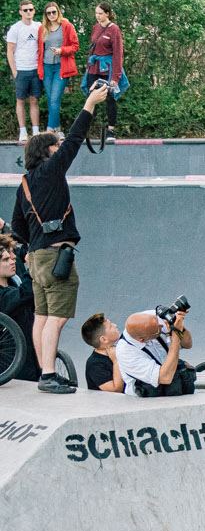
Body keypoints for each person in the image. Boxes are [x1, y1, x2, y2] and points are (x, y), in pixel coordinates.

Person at [6, 81, 110, 392]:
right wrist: (90, 103)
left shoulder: (23, 184)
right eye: (56, 145)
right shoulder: (52, 171)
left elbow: (16, 228)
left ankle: (44, 372)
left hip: (35, 258)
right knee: (57, 317)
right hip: (56, 257)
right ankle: (49, 375)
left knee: (41, 316)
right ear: (48, 152)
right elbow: (76, 139)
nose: (59, 147)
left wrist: (27, 246)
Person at [117, 305, 195, 396]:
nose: (162, 325)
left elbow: (187, 344)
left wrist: (178, 324)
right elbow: (165, 378)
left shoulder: (153, 319)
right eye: (158, 329)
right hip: (147, 400)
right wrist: (176, 335)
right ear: (142, 339)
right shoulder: (126, 353)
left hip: (174, 386)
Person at [84, 1, 126, 138]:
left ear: (107, 14)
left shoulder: (114, 29)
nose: (98, 16)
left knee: (110, 98)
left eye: (100, 13)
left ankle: (111, 129)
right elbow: (92, 48)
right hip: (94, 67)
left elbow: (118, 53)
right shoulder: (96, 27)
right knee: (90, 97)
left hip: (107, 69)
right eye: (96, 13)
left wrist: (115, 76)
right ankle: (85, 127)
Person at [0, 230, 36, 380]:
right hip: (14, 365)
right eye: (5, 260)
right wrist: (32, 267)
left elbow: (27, 246)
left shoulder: (13, 282)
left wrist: (6, 227)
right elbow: (25, 293)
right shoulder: (3, 295)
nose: (12, 261)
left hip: (30, 357)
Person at [38, 0, 78, 133]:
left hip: (61, 67)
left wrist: (62, 50)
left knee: (55, 98)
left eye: (54, 12)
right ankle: (58, 130)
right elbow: (40, 49)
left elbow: (75, 46)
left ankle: (50, 130)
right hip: (47, 66)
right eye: (48, 13)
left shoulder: (66, 26)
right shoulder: (42, 28)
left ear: (58, 12)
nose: (51, 15)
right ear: (46, 15)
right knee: (51, 100)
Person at [6, 0, 40, 142]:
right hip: (21, 70)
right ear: (20, 12)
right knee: (20, 100)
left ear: (34, 11)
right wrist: (14, 71)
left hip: (36, 70)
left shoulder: (39, 26)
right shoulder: (15, 28)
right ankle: (22, 131)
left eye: (30, 10)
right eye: (25, 10)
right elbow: (10, 51)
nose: (28, 12)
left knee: (34, 100)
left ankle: (36, 131)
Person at [80, 310, 125, 392]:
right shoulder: (95, 364)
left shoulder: (120, 348)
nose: (115, 325)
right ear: (104, 339)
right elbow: (116, 390)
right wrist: (116, 361)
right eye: (111, 327)